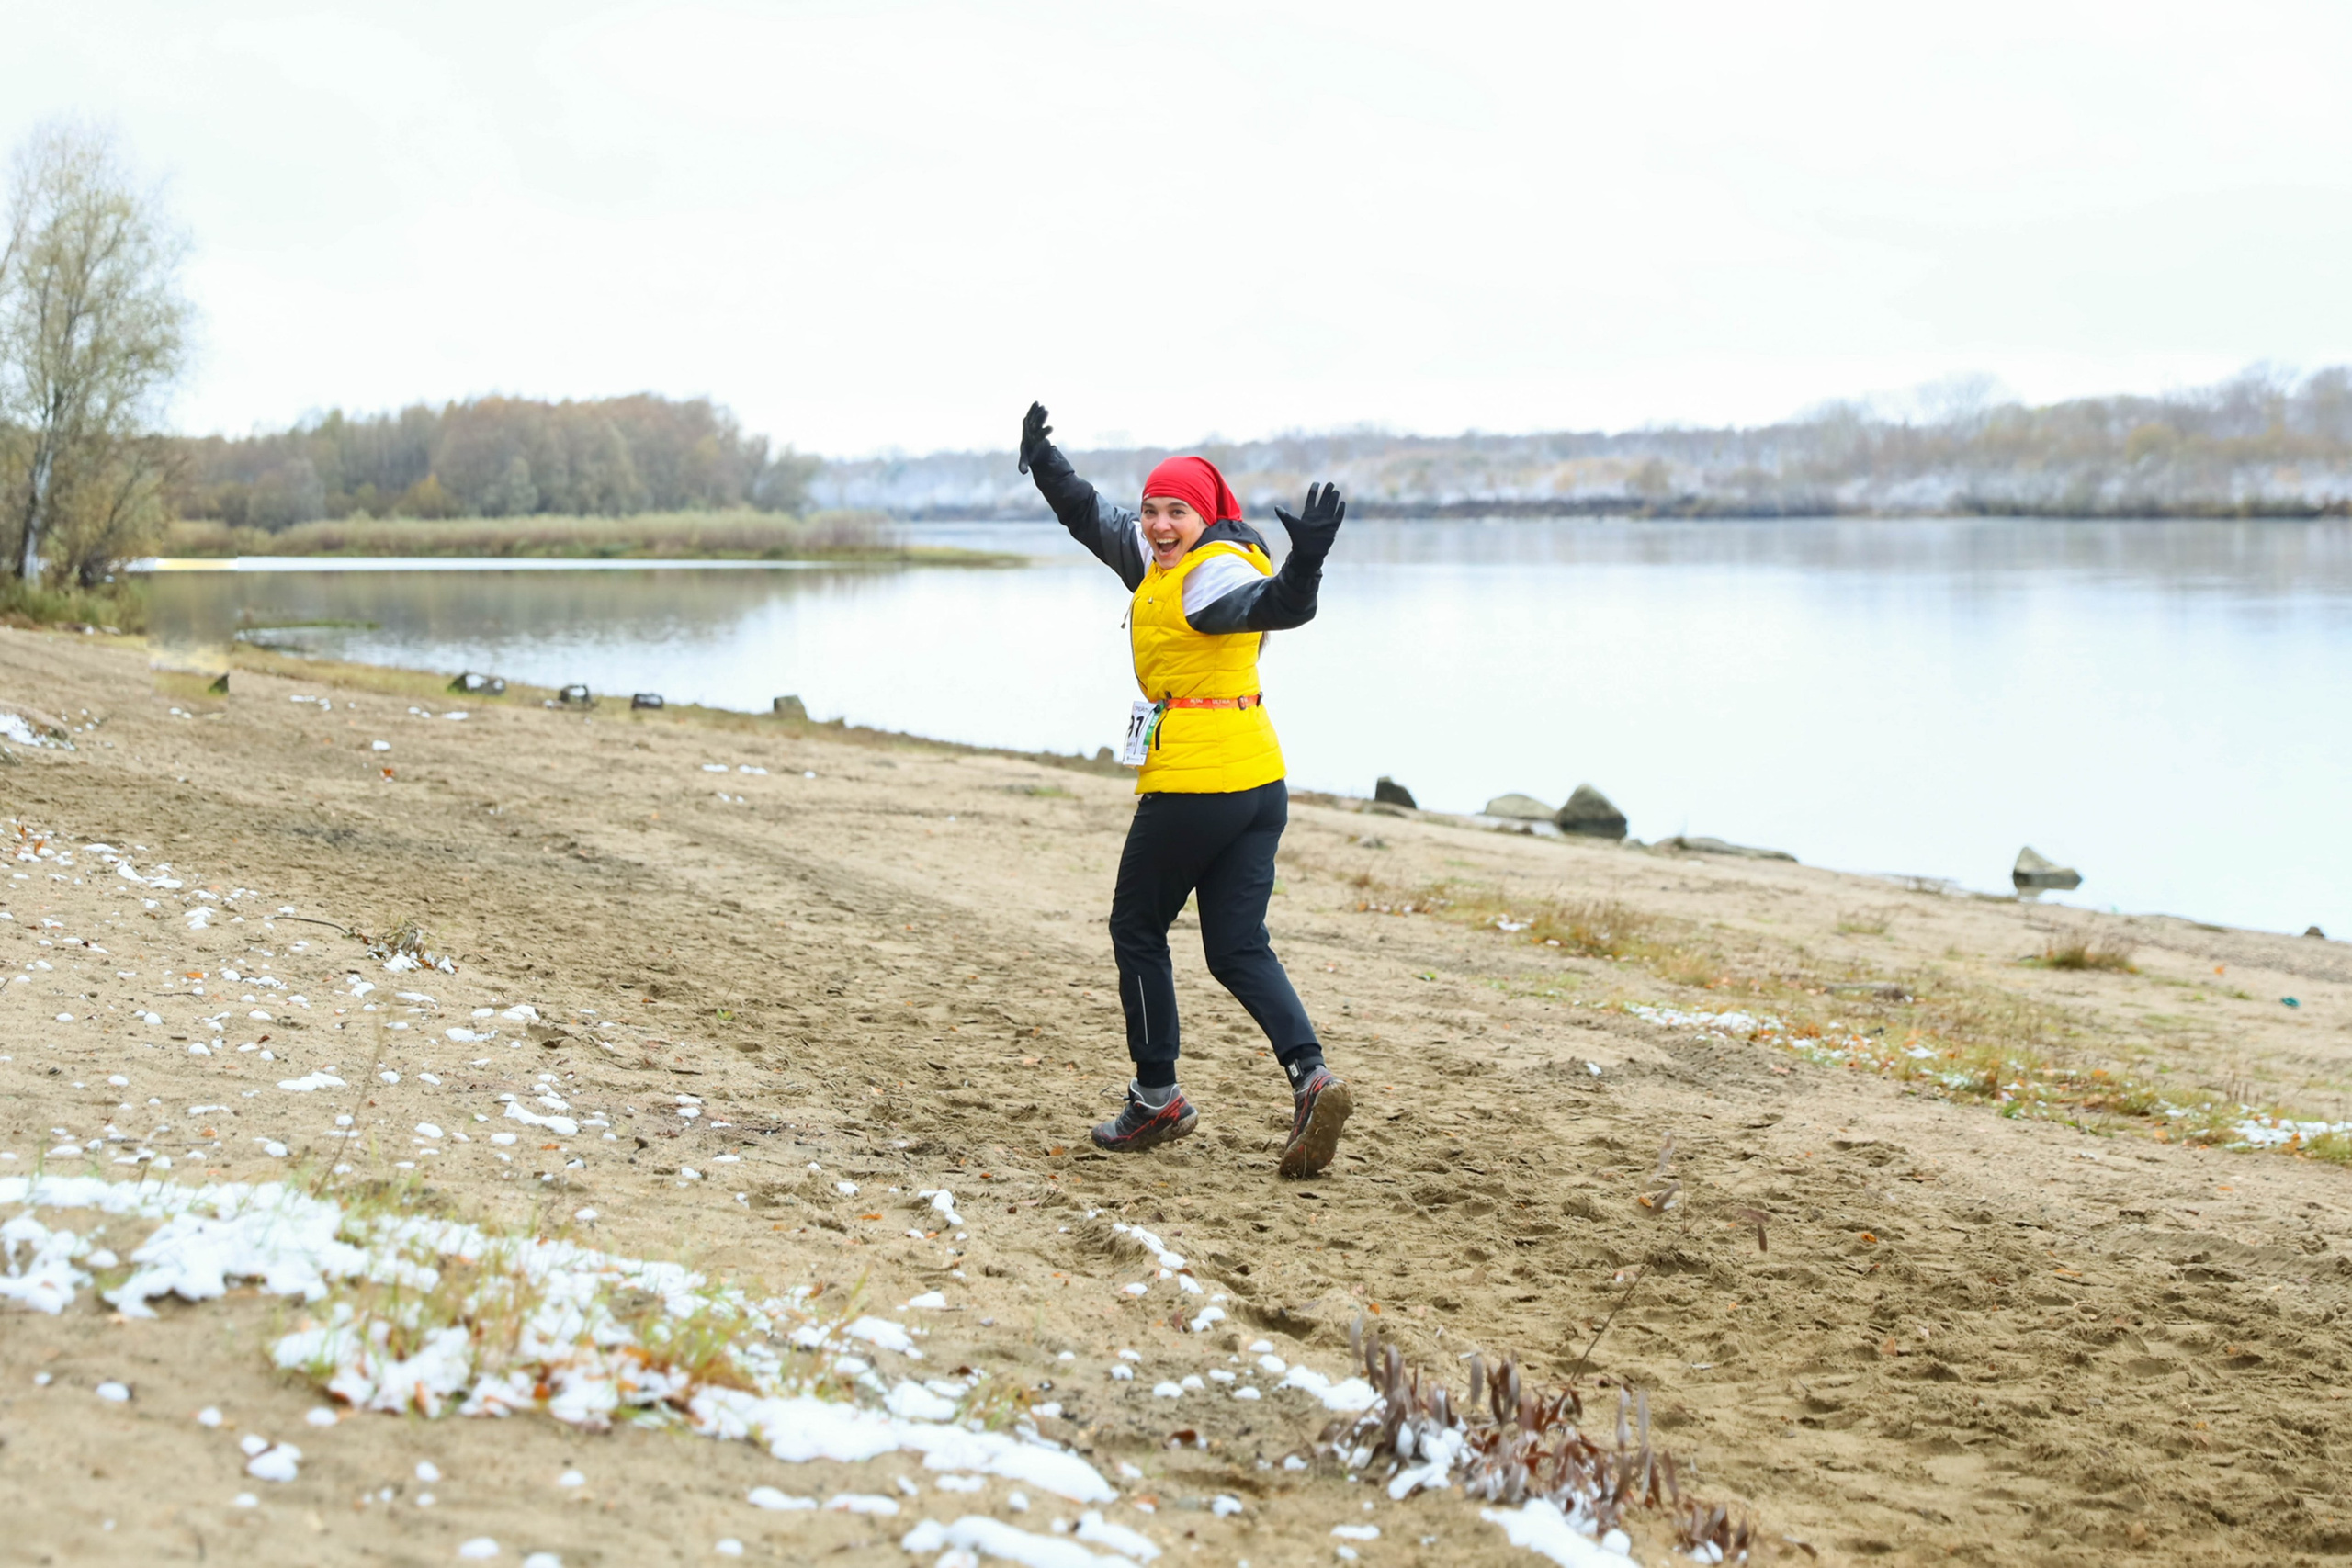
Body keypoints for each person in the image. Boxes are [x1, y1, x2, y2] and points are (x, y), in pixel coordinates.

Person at [1018, 401, 1351, 1177]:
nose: (1161, 525)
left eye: (1178, 512)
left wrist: (1307, 565)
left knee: (1136, 929)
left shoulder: (1211, 578)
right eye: (1154, 510)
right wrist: (1043, 462)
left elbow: (1273, 606)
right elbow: (1090, 518)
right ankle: (1313, 1078)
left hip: (1197, 786)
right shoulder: (1159, 563)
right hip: (1260, 782)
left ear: (1208, 517)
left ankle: (1156, 1097)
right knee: (1236, 946)